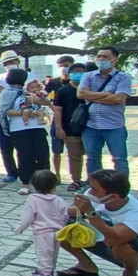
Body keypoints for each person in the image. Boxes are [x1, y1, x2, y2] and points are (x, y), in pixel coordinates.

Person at [59, 169, 138, 276]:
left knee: (123, 243)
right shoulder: (94, 197)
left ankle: (130, 274)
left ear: (112, 197)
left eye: (94, 190)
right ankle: (86, 265)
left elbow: (114, 238)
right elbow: (74, 212)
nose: (90, 192)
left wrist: (90, 212)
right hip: (104, 239)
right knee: (56, 223)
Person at [77, 46, 131, 177]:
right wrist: (106, 94)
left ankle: (121, 186)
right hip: (91, 125)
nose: (101, 59)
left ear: (115, 60)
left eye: (105, 57)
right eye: (99, 56)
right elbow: (80, 94)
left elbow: (119, 99)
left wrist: (91, 96)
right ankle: (94, 185)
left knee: (119, 159)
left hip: (114, 126)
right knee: (92, 159)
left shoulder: (123, 77)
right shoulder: (88, 76)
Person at [0, 67, 51, 194]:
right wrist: (24, 114)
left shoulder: (30, 92)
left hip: (37, 128)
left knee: (43, 156)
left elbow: (46, 103)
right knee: (24, 156)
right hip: (19, 129)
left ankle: (45, 184)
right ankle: (26, 183)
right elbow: (5, 112)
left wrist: (37, 96)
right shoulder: (6, 93)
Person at [15, 168, 67, 276]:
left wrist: (20, 228)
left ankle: (45, 274)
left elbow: (28, 217)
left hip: (42, 232)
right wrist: (62, 226)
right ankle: (49, 270)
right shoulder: (59, 199)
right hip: (57, 231)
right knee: (53, 253)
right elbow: (64, 215)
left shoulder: (33, 199)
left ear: (33, 186)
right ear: (54, 186)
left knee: (43, 253)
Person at [50, 62, 88, 191]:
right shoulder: (63, 90)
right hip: (70, 128)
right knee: (74, 156)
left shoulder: (90, 89)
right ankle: (76, 180)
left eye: (81, 72)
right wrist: (58, 127)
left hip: (90, 128)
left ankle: (92, 180)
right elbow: (58, 110)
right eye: (74, 72)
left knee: (92, 156)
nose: (78, 74)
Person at [0, 50, 24, 182]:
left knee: (22, 147)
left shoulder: (27, 75)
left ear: (18, 61)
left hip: (21, 118)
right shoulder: (0, 77)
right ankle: (11, 172)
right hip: (4, 117)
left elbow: (28, 92)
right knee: (6, 147)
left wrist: (5, 91)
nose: (9, 65)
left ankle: (24, 171)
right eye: (6, 63)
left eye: (12, 61)